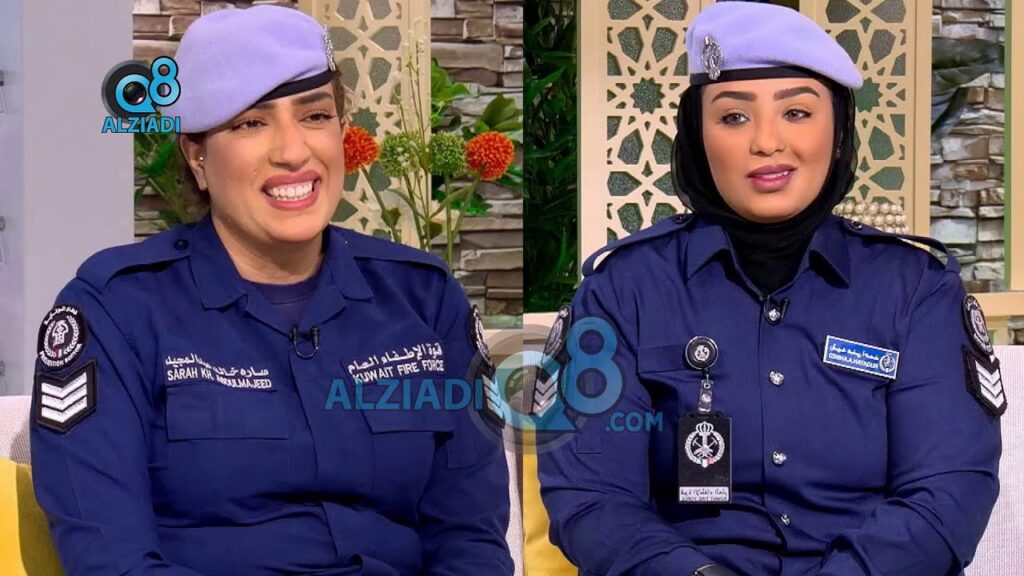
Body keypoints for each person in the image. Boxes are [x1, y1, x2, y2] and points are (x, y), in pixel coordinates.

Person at [30, 6, 513, 576]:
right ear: (196, 156)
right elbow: (111, 560)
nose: (292, 151)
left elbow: (471, 538)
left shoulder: (425, 300)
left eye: (315, 115)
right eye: (250, 124)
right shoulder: (115, 309)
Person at [537, 3, 1004, 576]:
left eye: (797, 112)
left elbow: (946, 497)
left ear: (838, 131)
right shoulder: (622, 291)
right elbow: (591, 497)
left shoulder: (916, 290)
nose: (766, 142)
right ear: (697, 137)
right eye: (733, 117)